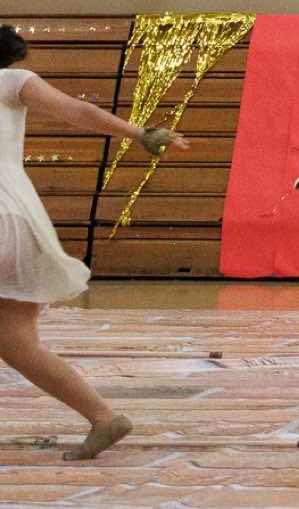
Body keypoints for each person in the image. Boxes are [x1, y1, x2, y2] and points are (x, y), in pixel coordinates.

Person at [0, 23, 185, 460]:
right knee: (16, 341)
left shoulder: (9, 80)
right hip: (21, 221)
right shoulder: (13, 81)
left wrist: (138, 133)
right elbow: (76, 111)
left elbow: (76, 111)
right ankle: (103, 417)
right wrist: (139, 132)